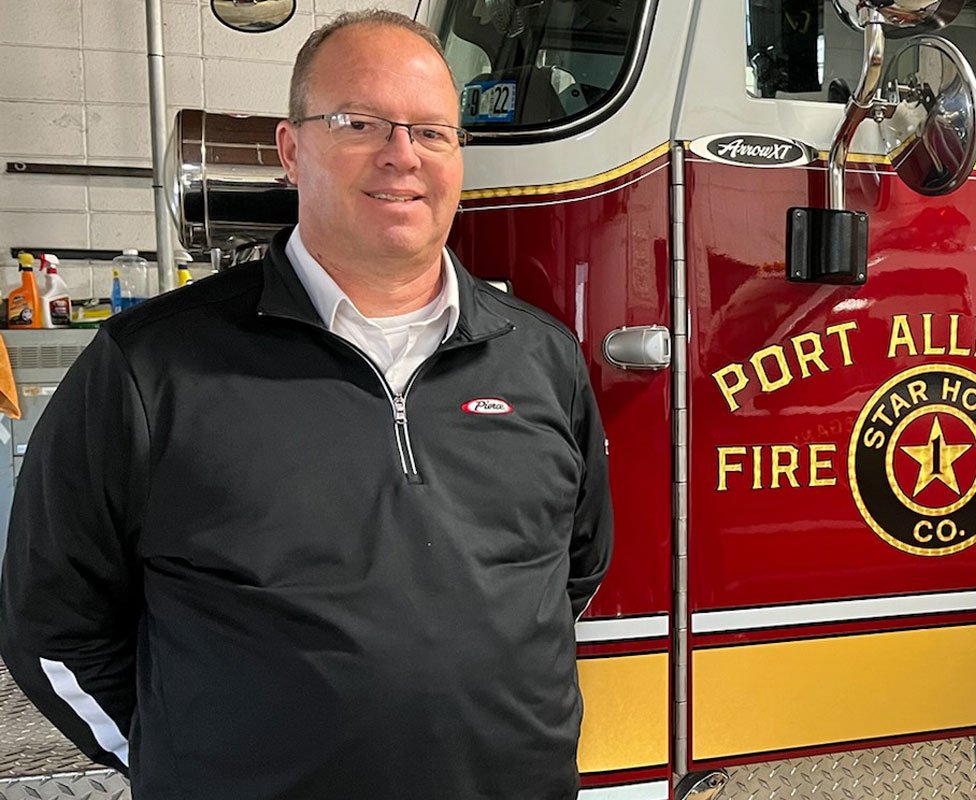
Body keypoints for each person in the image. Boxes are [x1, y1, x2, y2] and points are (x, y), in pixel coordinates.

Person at [0, 11, 612, 799]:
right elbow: (50, 620)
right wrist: (177, 760)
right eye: (359, 122)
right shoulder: (150, 367)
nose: (402, 156)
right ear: (292, 149)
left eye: (432, 132)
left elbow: (574, 572)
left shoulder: (542, 358)